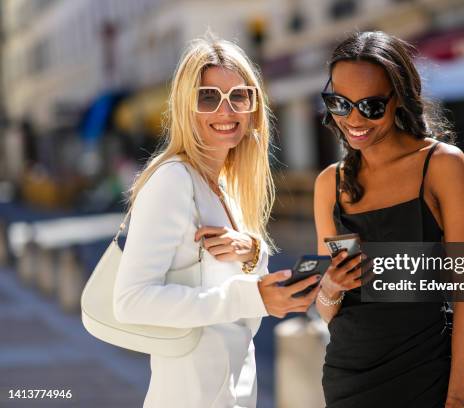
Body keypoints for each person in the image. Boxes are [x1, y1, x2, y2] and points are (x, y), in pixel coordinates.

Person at [113, 35, 320, 408]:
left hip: (237, 393)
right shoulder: (174, 180)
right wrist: (251, 296)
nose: (226, 110)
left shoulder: (227, 186)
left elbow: (241, 309)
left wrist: (252, 251)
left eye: (239, 96)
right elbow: (131, 301)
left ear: (253, 105)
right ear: (185, 106)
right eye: (208, 96)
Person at [314, 31, 464, 408]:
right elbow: (327, 311)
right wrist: (329, 286)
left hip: (427, 378)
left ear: (398, 99)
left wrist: (455, 398)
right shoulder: (329, 184)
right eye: (339, 103)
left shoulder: (442, 165)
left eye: (370, 106)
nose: (353, 119)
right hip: (349, 381)